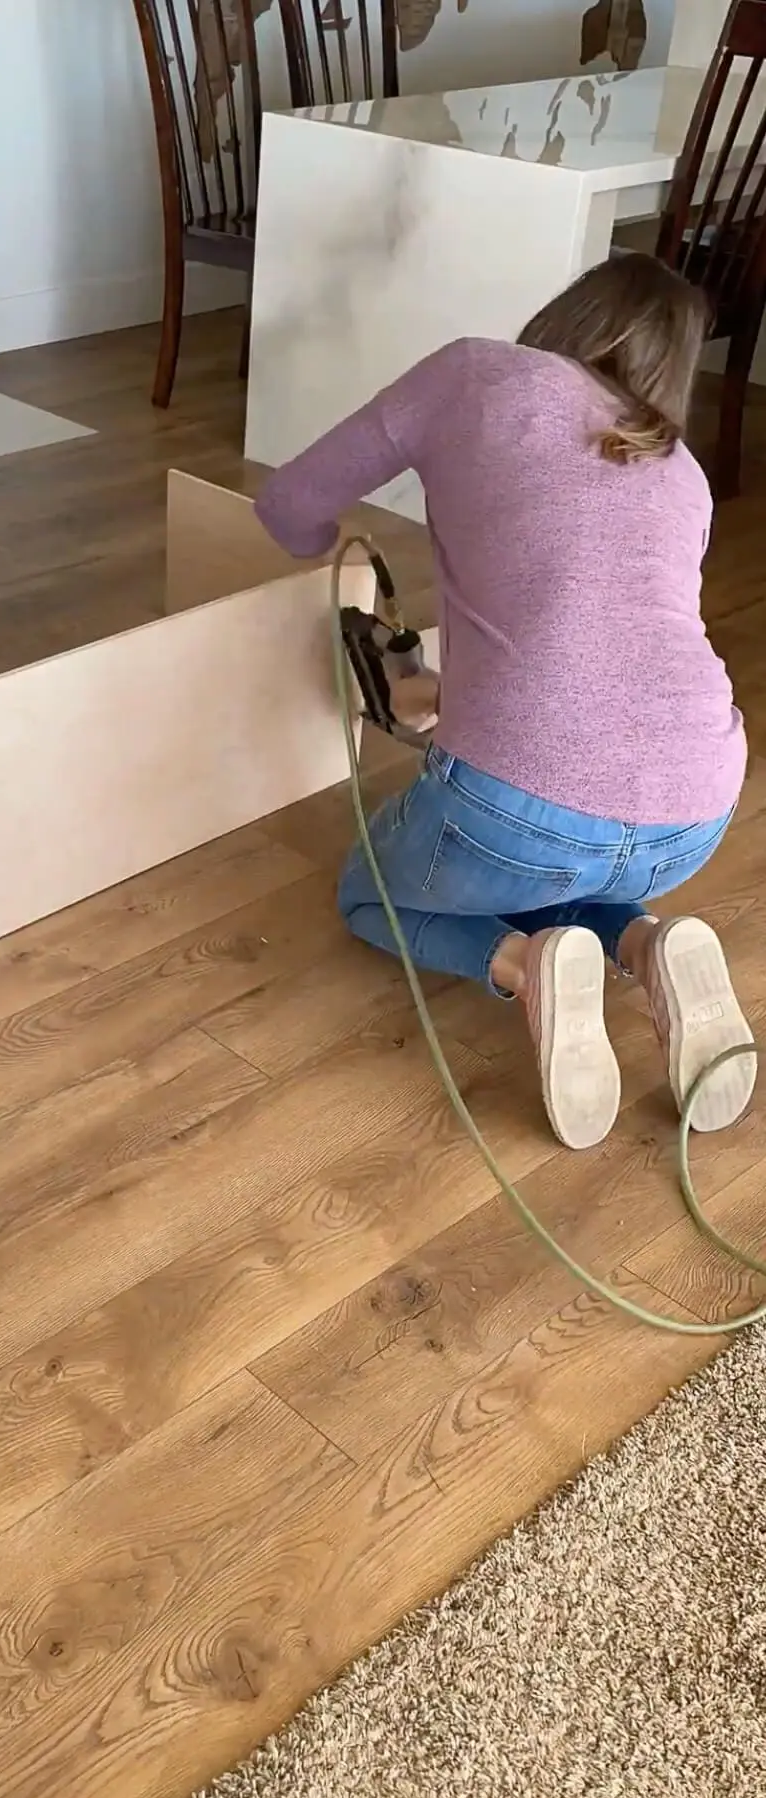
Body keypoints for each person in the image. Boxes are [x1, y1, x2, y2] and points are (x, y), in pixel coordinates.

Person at [255, 252, 755, 1151]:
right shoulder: (683, 474)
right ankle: (644, 948)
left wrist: (329, 543)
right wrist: (450, 695)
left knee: (370, 894)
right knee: (564, 859)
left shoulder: (475, 373)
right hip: (698, 807)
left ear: (571, 318)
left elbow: (288, 502)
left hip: (525, 810)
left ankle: (527, 967)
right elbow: (603, 645)